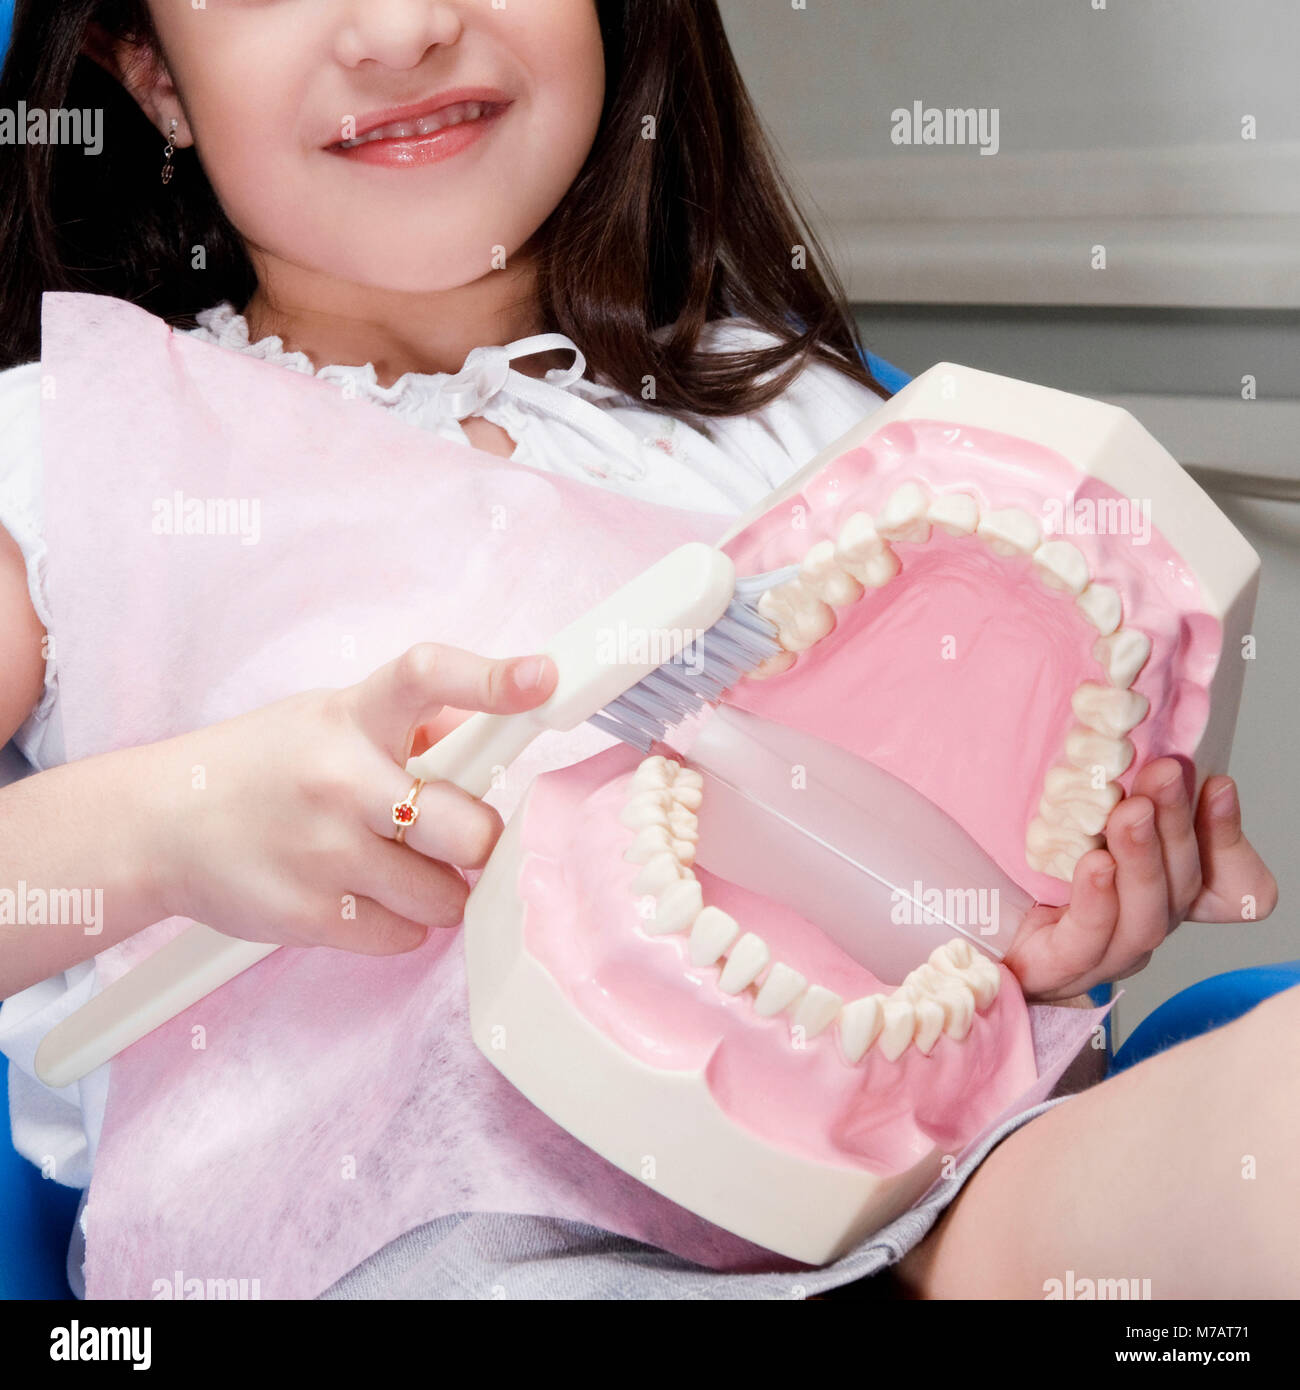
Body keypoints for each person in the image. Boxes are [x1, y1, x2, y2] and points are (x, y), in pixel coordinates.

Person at [0, 1, 1280, 1299]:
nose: (398, 28)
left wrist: (1024, 934)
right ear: (150, 70)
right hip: (403, 1254)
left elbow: (868, 873)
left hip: (918, 1209)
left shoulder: (809, 425)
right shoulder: (73, 451)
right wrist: (159, 829)